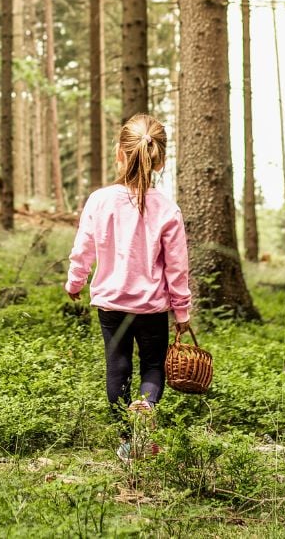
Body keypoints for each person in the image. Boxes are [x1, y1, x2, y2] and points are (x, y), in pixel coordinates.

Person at [65, 114, 192, 461]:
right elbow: (177, 267)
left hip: (112, 303)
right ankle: (146, 411)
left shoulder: (99, 200)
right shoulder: (167, 208)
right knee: (153, 366)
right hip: (152, 307)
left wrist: (75, 282)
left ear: (119, 154)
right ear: (160, 160)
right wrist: (181, 312)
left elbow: (83, 248)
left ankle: (125, 441)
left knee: (117, 364)